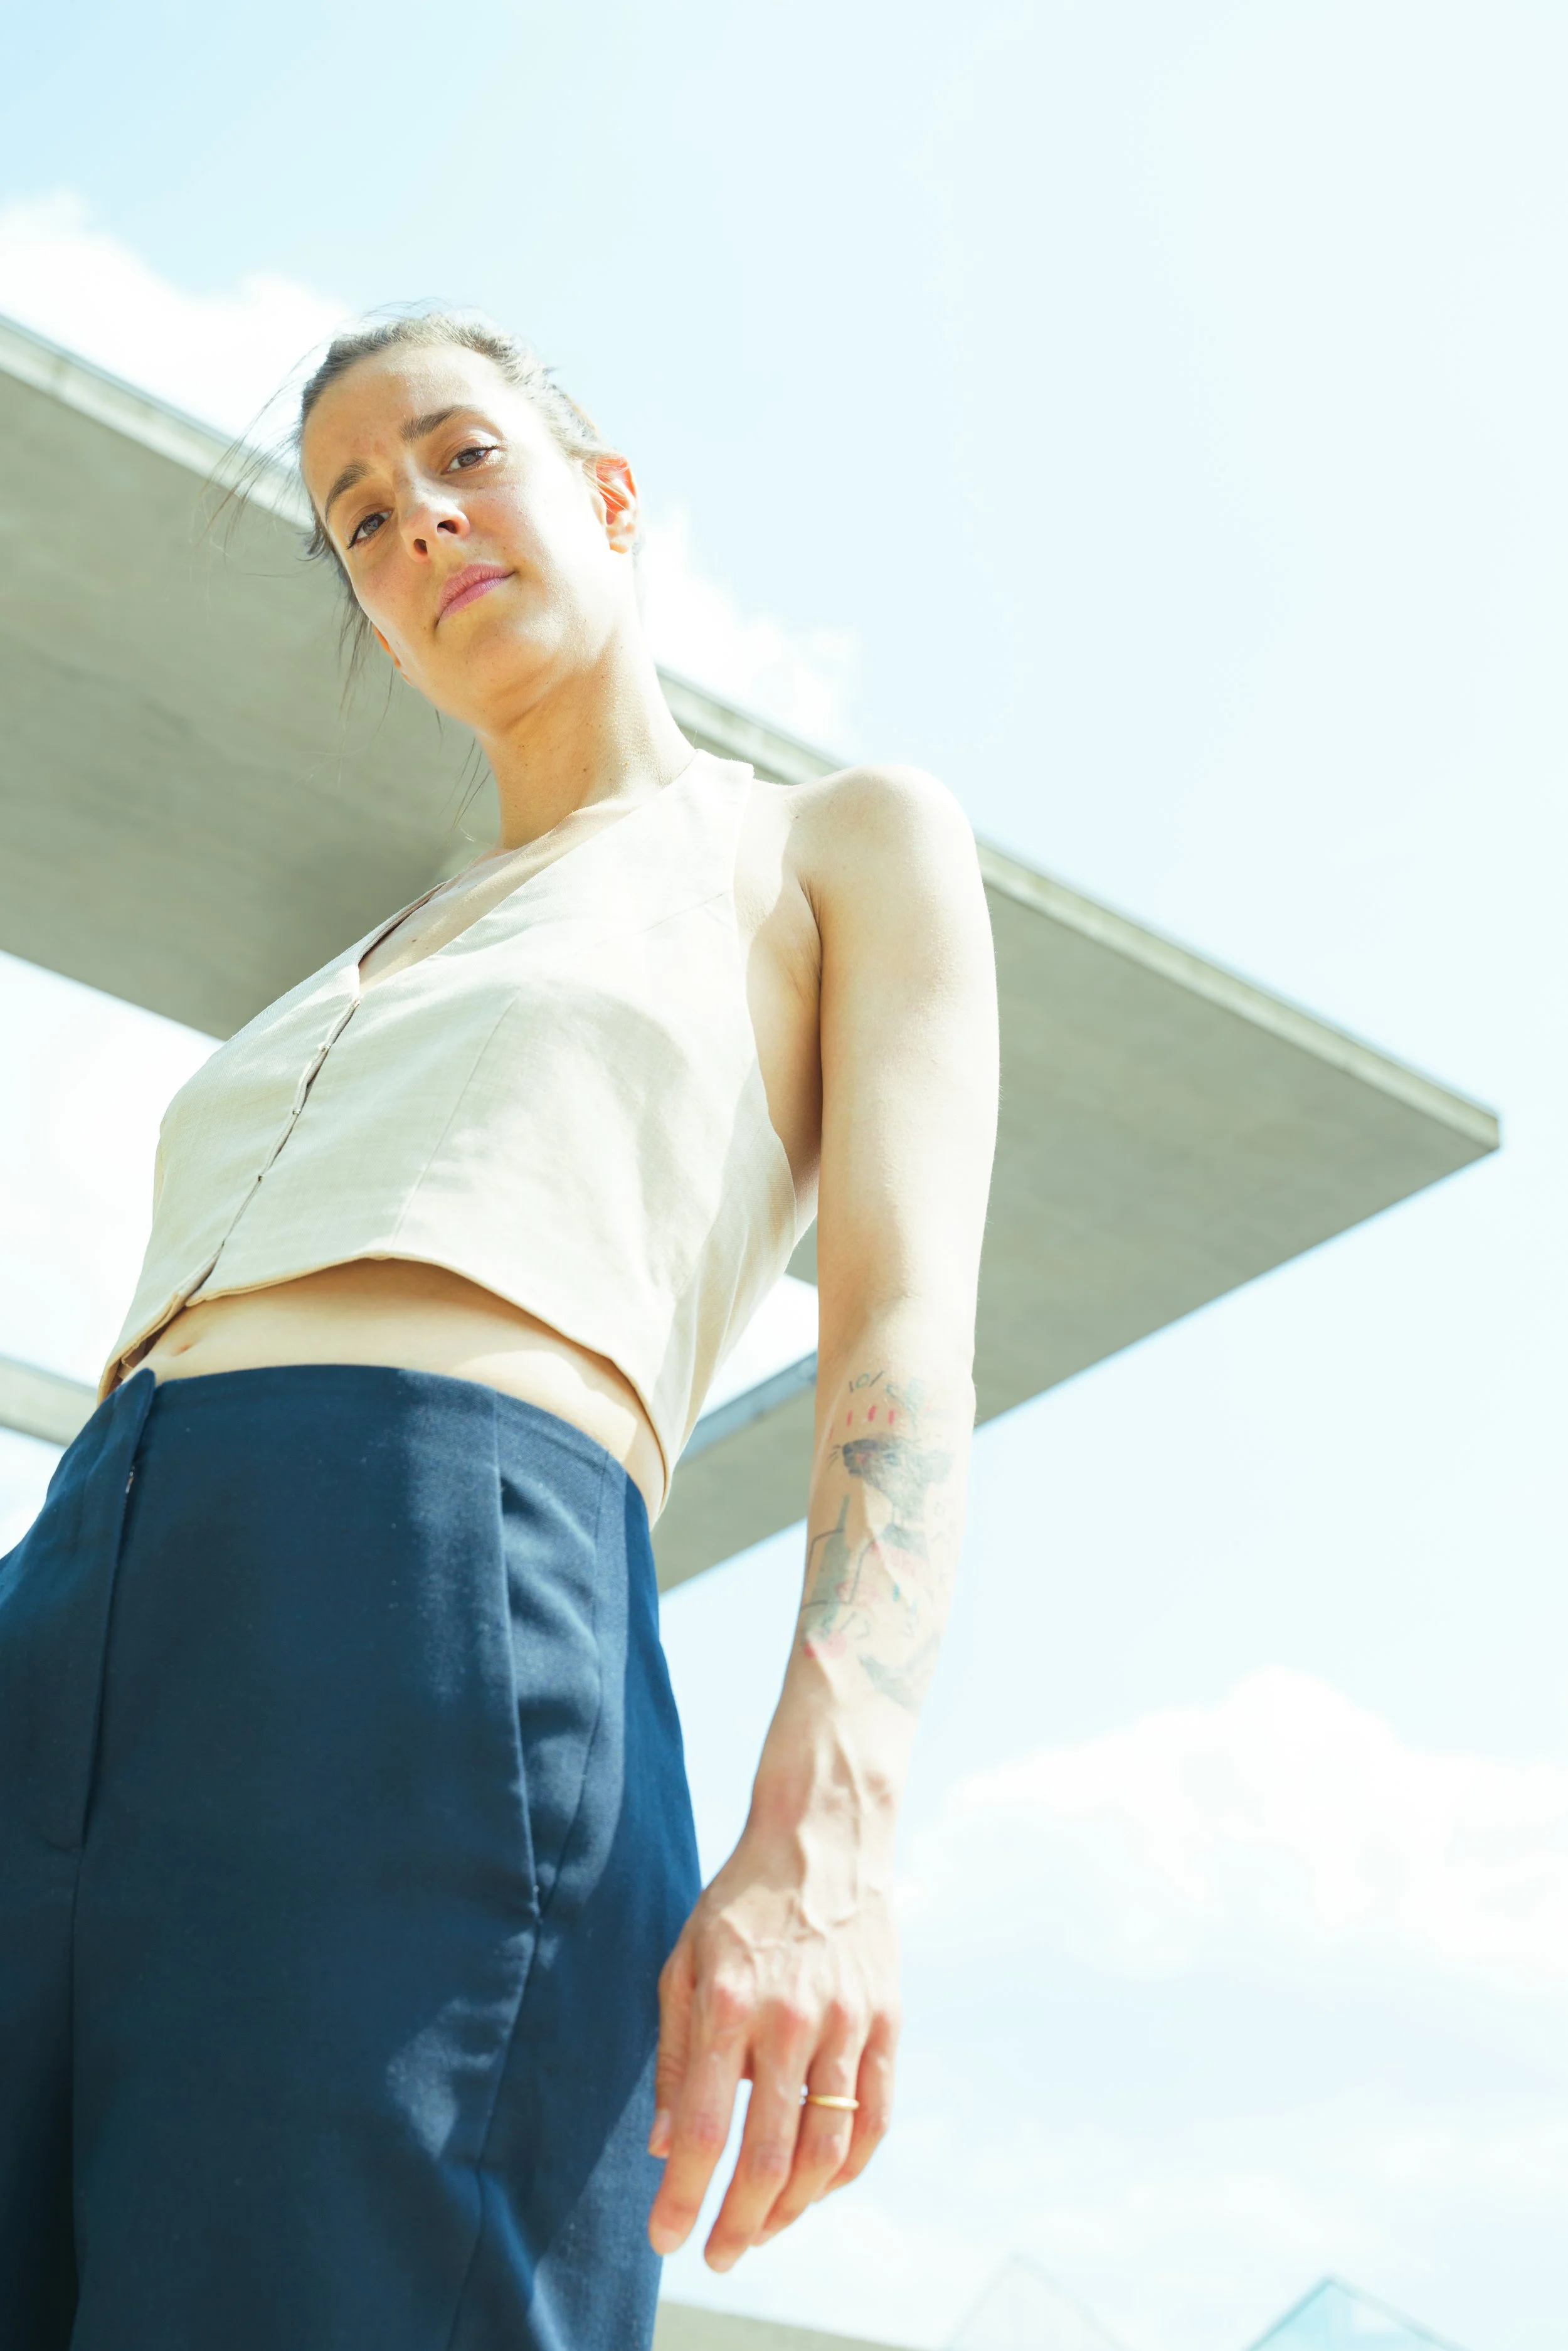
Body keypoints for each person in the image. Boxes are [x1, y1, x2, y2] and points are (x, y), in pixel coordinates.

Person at [0, 310, 998, 2350]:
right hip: (82, 1584)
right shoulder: (353, 963)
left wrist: (825, 1839)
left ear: (604, 496)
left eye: (461, 456)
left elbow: (903, 1341)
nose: (417, 520)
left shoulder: (823, 842)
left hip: (428, 1581)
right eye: (360, 518)